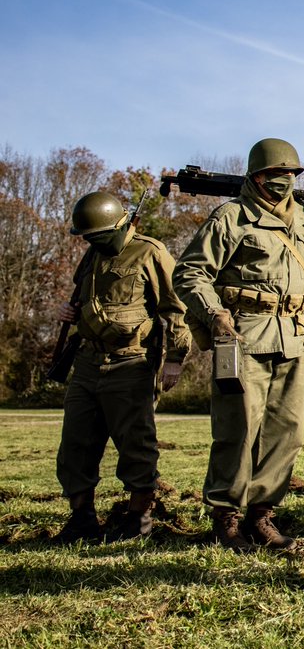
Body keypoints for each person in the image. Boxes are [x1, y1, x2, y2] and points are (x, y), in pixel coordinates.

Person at [173, 138, 304, 552]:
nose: (284, 180)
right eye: (275, 174)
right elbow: (189, 273)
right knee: (237, 430)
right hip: (242, 336)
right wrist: (213, 313)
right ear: (256, 176)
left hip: (295, 337)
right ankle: (226, 518)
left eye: (291, 174)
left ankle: (262, 515)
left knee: (286, 431)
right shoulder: (231, 218)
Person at [52, 190, 190, 543]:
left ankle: (138, 519)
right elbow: (86, 299)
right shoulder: (91, 255)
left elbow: (176, 308)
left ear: (119, 225)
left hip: (132, 363)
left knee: (136, 445)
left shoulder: (150, 252)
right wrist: (70, 312)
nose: (92, 242)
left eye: (98, 236)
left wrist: (175, 359)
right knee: (75, 445)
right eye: (88, 237)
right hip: (87, 362)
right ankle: (82, 520)